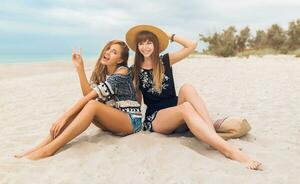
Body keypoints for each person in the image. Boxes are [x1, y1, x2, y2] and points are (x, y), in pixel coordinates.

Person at [126, 25, 261, 170]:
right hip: (156, 118)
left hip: (175, 109)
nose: (145, 47)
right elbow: (137, 100)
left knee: (187, 88)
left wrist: (170, 36)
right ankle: (230, 151)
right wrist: (135, 123)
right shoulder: (135, 70)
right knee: (186, 107)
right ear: (137, 46)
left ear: (155, 44)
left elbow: (191, 45)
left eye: (149, 42)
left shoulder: (165, 60)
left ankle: (211, 133)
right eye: (141, 43)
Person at [14, 40, 142, 160]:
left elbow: (90, 99)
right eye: (108, 49)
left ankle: (49, 149)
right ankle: (37, 148)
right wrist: (80, 68)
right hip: (114, 122)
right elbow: (88, 95)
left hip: (131, 122)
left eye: (114, 52)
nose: (108, 52)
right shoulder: (104, 73)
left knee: (92, 104)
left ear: (120, 60)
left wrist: (63, 117)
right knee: (89, 104)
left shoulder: (122, 72)